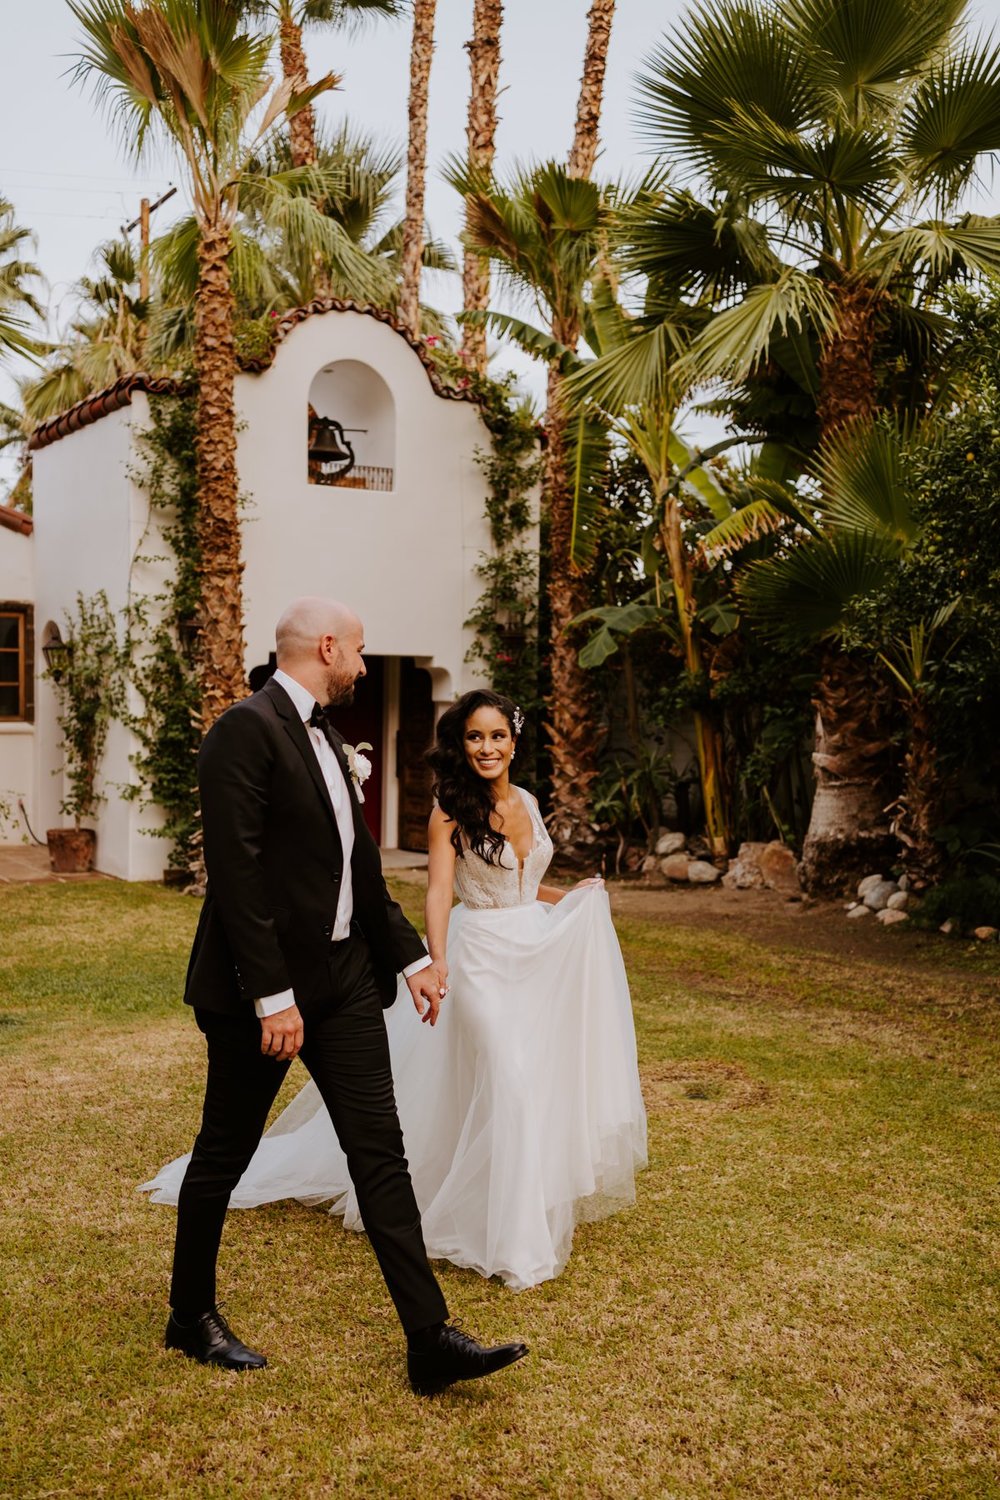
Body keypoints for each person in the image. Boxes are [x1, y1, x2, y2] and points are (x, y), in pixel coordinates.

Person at [143, 599, 527, 1397]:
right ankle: (189, 1314)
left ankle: (430, 1340)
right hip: (266, 994)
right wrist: (271, 998)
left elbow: (360, 873)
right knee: (225, 1151)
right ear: (327, 646)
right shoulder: (242, 731)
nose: (361, 662)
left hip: (348, 982)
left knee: (379, 1151)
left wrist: (415, 957)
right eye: (357, 651)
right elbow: (237, 877)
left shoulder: (326, 736)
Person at [147, 688, 647, 1292]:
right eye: (474, 737)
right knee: (510, 1081)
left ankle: (504, 1201)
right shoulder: (448, 809)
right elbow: (440, 892)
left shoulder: (530, 803)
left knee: (529, 1083)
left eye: (497, 736)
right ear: (461, 746)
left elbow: (525, 881)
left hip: (533, 953)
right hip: (480, 958)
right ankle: (515, 1242)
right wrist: (435, 962)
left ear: (515, 742)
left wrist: (575, 897)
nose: (487, 748)